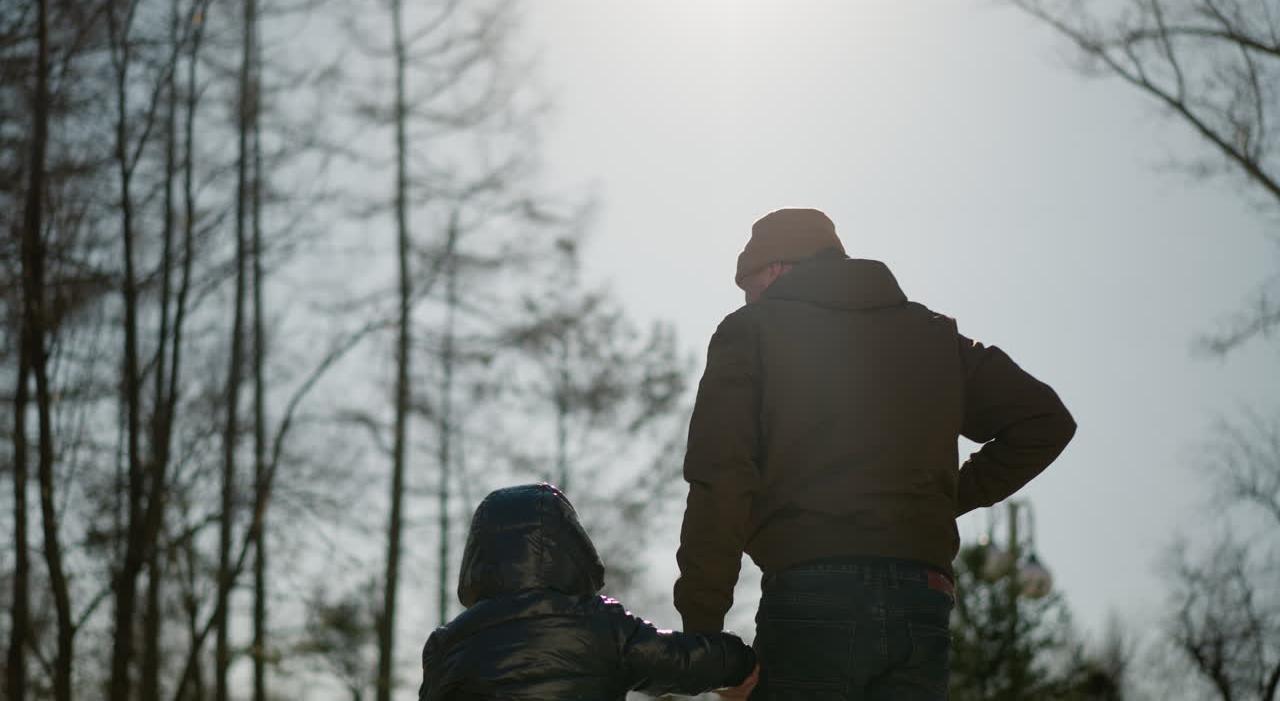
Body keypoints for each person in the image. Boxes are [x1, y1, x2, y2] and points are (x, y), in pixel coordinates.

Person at [674, 208, 1077, 700]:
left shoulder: (751, 330)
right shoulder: (934, 336)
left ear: (777, 268)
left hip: (811, 597)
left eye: (749, 285)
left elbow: (721, 478)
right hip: (921, 603)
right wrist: (939, 500)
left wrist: (704, 630)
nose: (748, 299)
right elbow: (1044, 421)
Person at [418, 483, 758, 700]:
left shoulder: (446, 644)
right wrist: (740, 662)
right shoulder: (598, 622)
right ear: (570, 546)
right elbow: (677, 660)